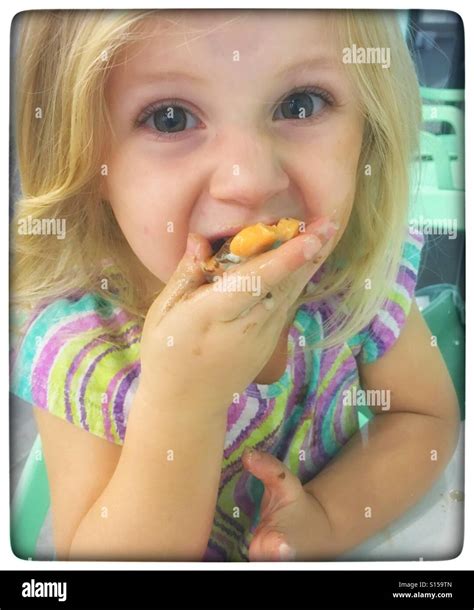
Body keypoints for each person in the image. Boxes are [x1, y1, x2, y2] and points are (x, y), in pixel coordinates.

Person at [10, 9, 460, 562]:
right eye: (170, 118)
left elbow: (421, 417)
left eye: (300, 104)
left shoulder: (356, 275)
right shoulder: (81, 347)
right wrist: (181, 403)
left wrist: (325, 516)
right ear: (87, 158)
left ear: (369, 129)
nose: (250, 181)